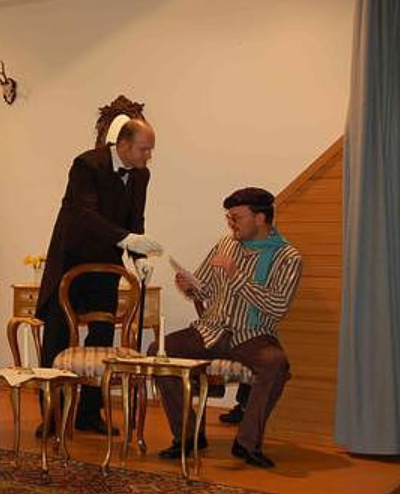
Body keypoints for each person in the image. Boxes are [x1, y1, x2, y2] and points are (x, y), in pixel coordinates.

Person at [150, 187, 302, 468]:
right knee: (159, 352)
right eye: (229, 218)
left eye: (237, 218)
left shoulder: (288, 257)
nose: (231, 224)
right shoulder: (225, 244)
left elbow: (277, 306)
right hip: (210, 329)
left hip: (252, 334)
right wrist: (189, 286)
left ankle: (247, 443)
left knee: (276, 364)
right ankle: (188, 436)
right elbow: (205, 288)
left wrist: (237, 276)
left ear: (260, 218)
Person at [36, 118, 162, 436]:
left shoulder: (141, 175)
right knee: (56, 337)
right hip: (70, 259)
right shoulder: (86, 164)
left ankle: (89, 414)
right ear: (124, 145)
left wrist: (139, 259)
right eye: (144, 149)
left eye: (150, 150)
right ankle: (51, 416)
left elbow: (135, 220)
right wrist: (126, 239)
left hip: (106, 264)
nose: (148, 155)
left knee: (102, 335)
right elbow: (84, 215)